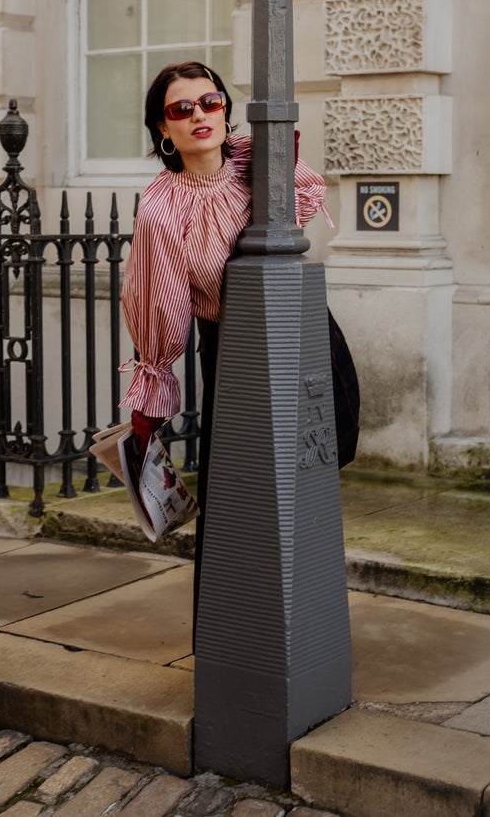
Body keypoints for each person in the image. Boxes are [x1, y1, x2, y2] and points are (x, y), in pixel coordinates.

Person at [118, 61, 333, 625]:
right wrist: (149, 407)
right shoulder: (161, 208)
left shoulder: (249, 162)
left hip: (305, 334)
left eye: (210, 102)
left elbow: (307, 198)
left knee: (313, 473)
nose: (199, 116)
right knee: (242, 493)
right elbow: (158, 304)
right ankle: (239, 623)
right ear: (163, 130)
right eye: (181, 109)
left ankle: (304, 610)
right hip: (236, 352)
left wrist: (273, 155)